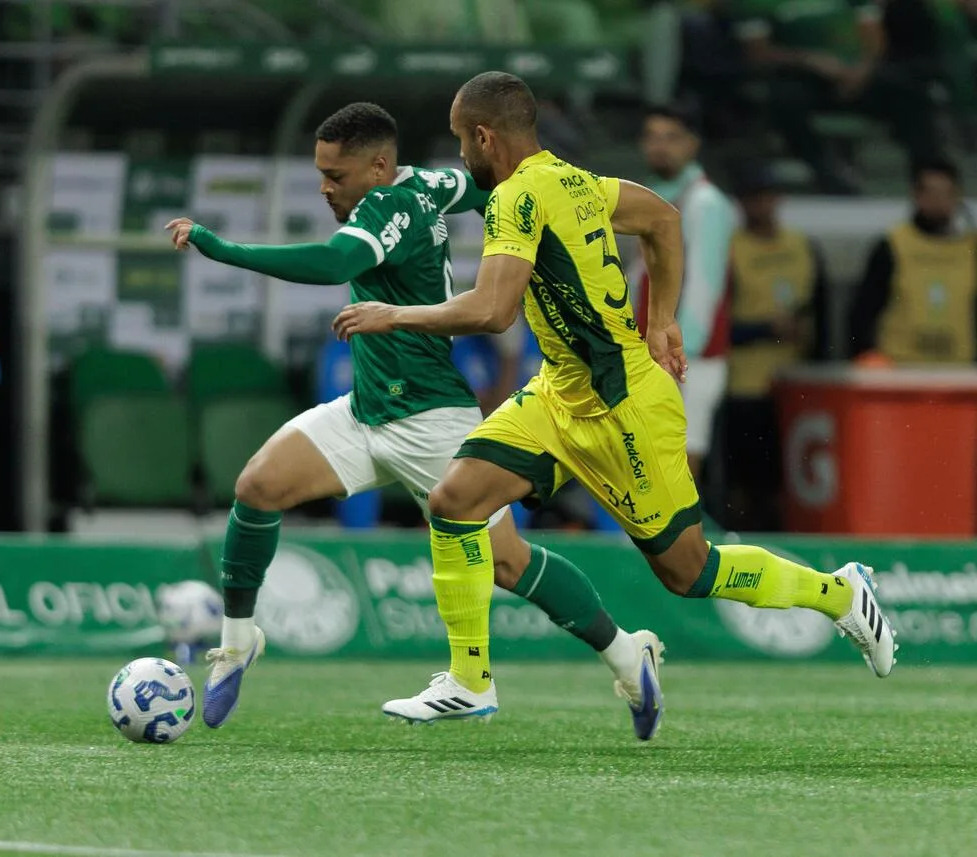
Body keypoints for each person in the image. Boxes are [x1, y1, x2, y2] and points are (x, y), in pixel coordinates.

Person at [333, 73, 897, 723]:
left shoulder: (514, 198)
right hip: (558, 394)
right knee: (455, 500)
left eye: (463, 141)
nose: (462, 155)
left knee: (689, 570)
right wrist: (663, 317)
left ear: (484, 136)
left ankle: (839, 592)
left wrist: (392, 315)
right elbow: (662, 217)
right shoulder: (575, 180)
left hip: (625, 405)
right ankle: (470, 680)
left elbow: (492, 311)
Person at [167, 102, 665, 737]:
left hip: (432, 419)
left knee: (508, 564)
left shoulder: (384, 210)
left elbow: (330, 266)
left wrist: (217, 245)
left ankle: (628, 653)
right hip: (368, 408)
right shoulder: (428, 183)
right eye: (320, 174)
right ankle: (238, 644)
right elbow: (482, 185)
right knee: (257, 488)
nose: (325, 188)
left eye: (336, 177)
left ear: (378, 168)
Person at [733, 0, 943, 194]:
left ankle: (930, 177)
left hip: (856, 75)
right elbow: (757, 53)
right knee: (784, 99)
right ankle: (827, 171)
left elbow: (875, 38)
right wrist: (809, 60)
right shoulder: (756, 4)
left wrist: (861, 71)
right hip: (801, 77)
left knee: (909, 90)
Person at [724, 163, 829, 532]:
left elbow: (823, 314)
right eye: (753, 198)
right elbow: (718, 327)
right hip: (746, 386)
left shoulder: (802, 246)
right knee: (749, 482)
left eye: (767, 197)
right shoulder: (730, 251)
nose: (761, 206)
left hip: (797, 385)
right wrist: (763, 329)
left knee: (793, 479)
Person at [634, 105, 733, 486]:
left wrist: (678, 352)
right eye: (652, 137)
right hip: (650, 349)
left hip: (690, 356)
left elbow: (703, 287)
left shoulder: (705, 203)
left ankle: (684, 542)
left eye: (671, 137)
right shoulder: (645, 198)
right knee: (650, 451)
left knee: (683, 452)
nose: (660, 147)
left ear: (693, 144)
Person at [849, 159, 977, 365]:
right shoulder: (892, 245)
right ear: (916, 195)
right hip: (901, 372)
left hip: (958, 373)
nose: (938, 201)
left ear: (957, 197)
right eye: (931, 193)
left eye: (945, 193)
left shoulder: (970, 249)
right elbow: (862, 313)